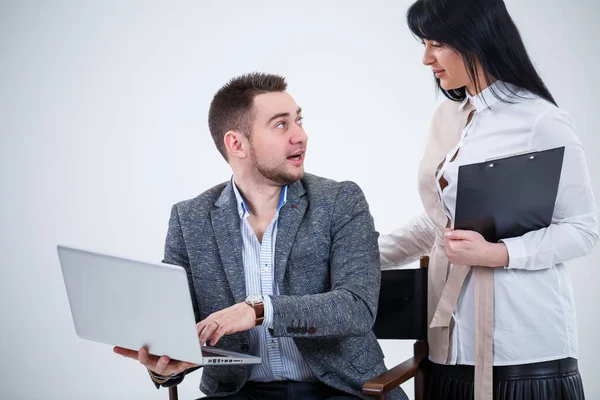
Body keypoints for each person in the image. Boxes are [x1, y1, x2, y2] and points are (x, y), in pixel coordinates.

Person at [114, 72, 407, 400]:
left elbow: (356, 307)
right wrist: (164, 366)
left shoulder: (341, 201)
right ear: (236, 143)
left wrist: (258, 310)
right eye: (282, 125)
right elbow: (179, 325)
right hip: (239, 392)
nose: (301, 136)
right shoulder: (190, 219)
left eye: (299, 120)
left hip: (341, 388)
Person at [379, 1, 598, 399]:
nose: (426, 58)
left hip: (523, 352)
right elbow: (439, 221)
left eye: (436, 43)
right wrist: (357, 255)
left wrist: (497, 254)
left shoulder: (539, 121)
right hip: (447, 349)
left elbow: (582, 231)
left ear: (476, 38)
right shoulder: (447, 117)